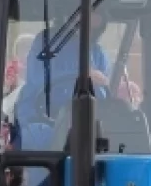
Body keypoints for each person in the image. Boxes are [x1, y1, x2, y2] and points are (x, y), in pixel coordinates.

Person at [12, 9, 110, 151]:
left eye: (96, 23)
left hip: (86, 121)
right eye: (88, 15)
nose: (91, 27)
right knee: (36, 139)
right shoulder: (47, 42)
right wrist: (80, 75)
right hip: (42, 117)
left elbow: (104, 93)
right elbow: (38, 79)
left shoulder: (98, 54)